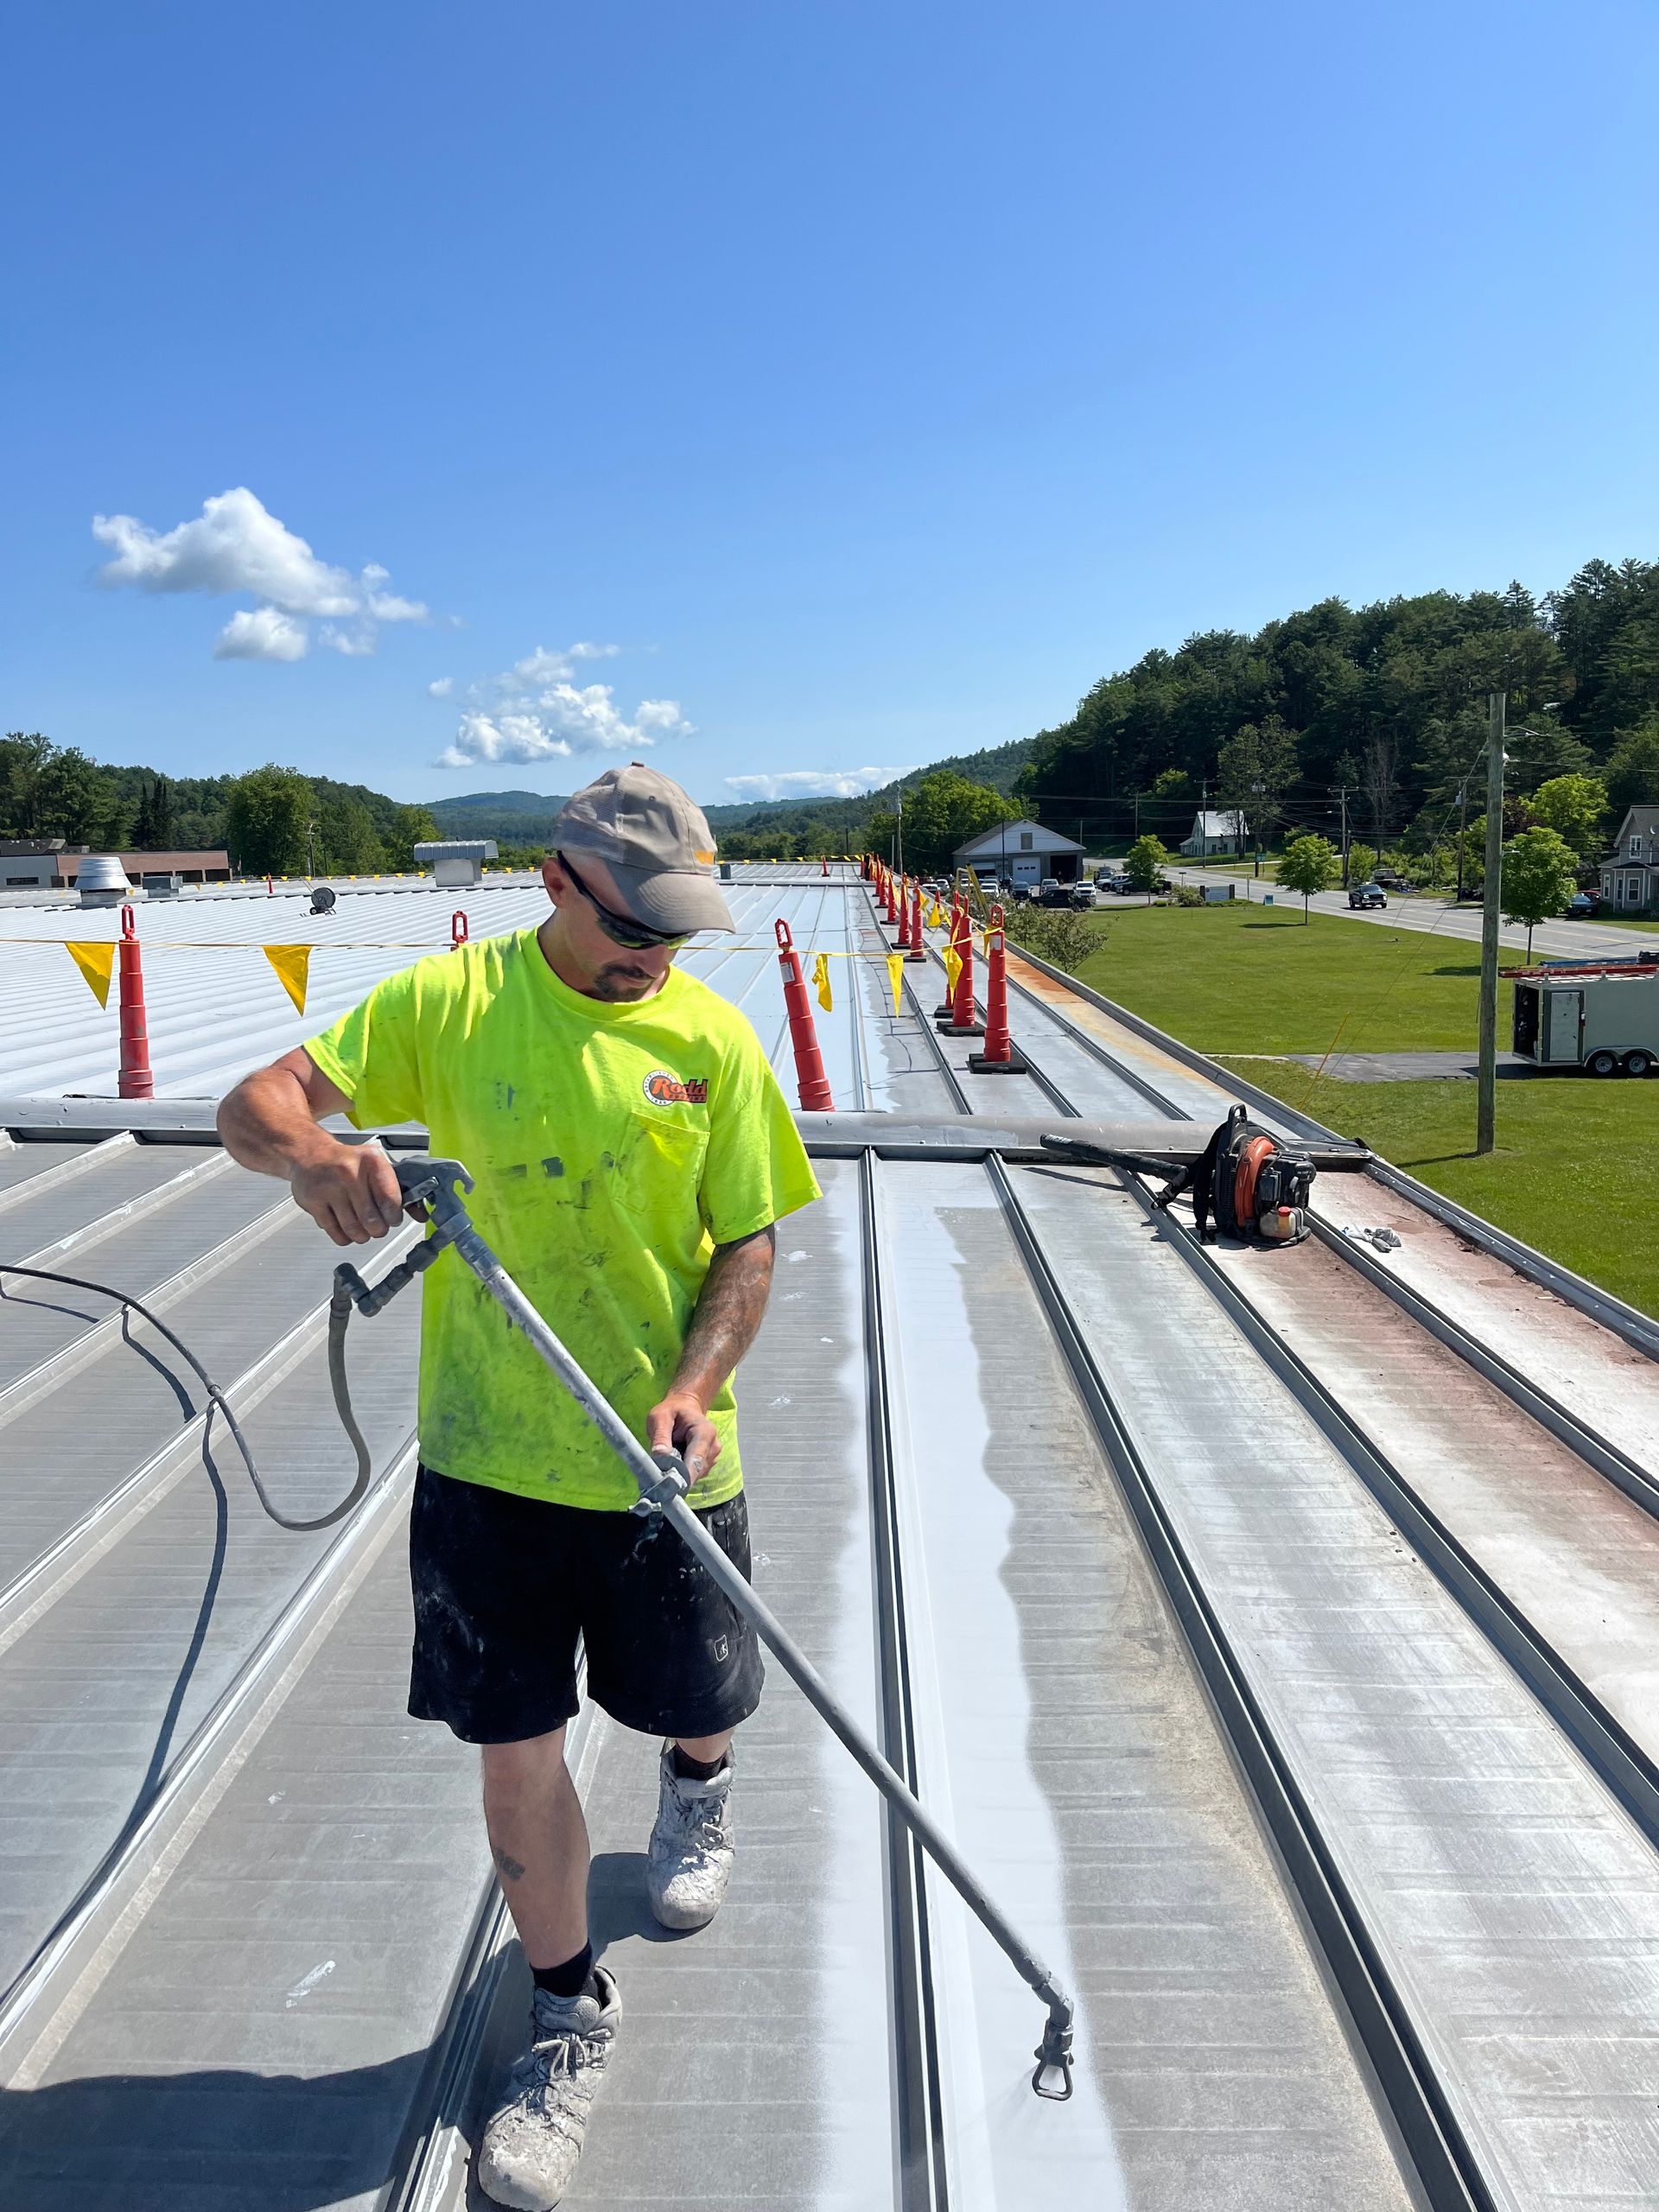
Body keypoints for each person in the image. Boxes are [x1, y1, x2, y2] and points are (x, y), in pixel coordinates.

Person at [218, 765, 821, 2210]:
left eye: (677, 931)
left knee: (699, 1695)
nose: (655, 956)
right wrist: (313, 1155)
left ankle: (698, 1786)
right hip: (492, 1466)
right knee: (516, 1763)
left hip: (665, 1465)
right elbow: (254, 1106)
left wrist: (693, 1384)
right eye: (633, 924)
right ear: (556, 882)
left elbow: (748, 1247)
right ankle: (565, 2017)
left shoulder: (714, 1040)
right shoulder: (450, 1008)